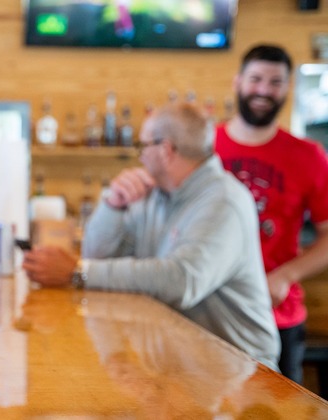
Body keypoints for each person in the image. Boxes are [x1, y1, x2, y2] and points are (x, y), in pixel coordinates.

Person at [22, 102, 281, 370]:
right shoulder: (155, 195)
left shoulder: (223, 202)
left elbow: (182, 281)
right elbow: (98, 256)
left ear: (165, 150)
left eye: (142, 146)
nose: (140, 156)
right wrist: (113, 204)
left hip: (242, 372)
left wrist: (77, 273)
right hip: (184, 364)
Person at [215, 44, 328, 384]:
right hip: (207, 314)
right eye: (256, 79)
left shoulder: (308, 156)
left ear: (287, 88)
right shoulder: (204, 147)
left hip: (276, 316)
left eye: (275, 82)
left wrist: (285, 276)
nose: (264, 90)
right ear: (237, 82)